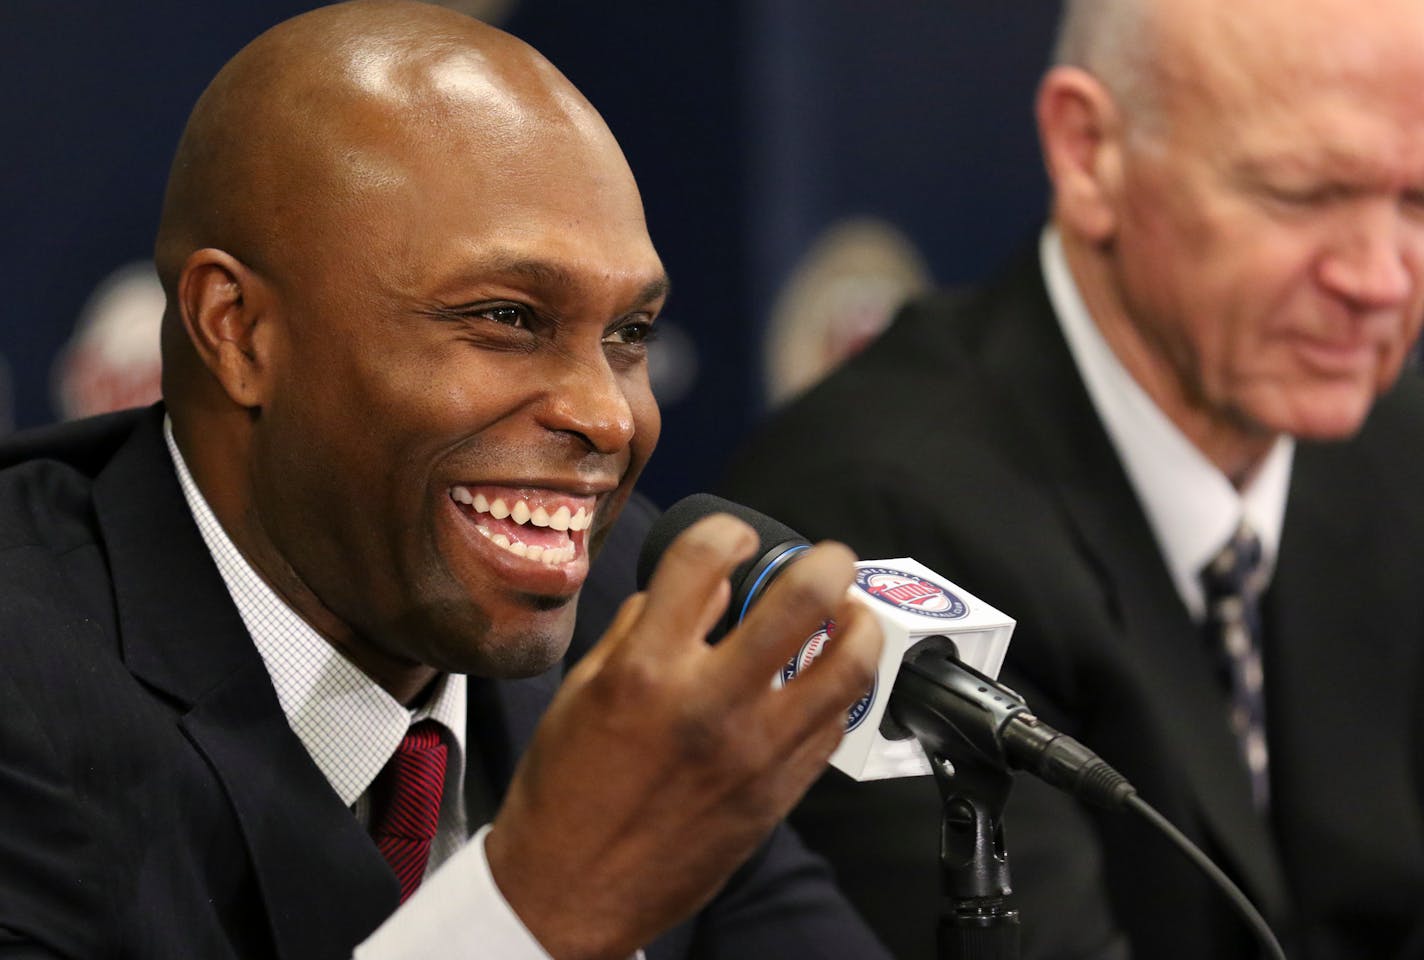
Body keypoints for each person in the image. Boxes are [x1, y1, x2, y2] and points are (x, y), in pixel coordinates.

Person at [0, 3, 893, 958]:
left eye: (630, 335)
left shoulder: (626, 616)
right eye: (508, 316)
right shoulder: (25, 684)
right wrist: (538, 909)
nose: (608, 415)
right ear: (240, 331)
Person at [723, 0, 1424, 957]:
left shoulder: (1395, 440)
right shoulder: (876, 508)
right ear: (1090, 152)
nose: (1381, 278)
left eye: (1419, 202)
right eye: (1301, 193)